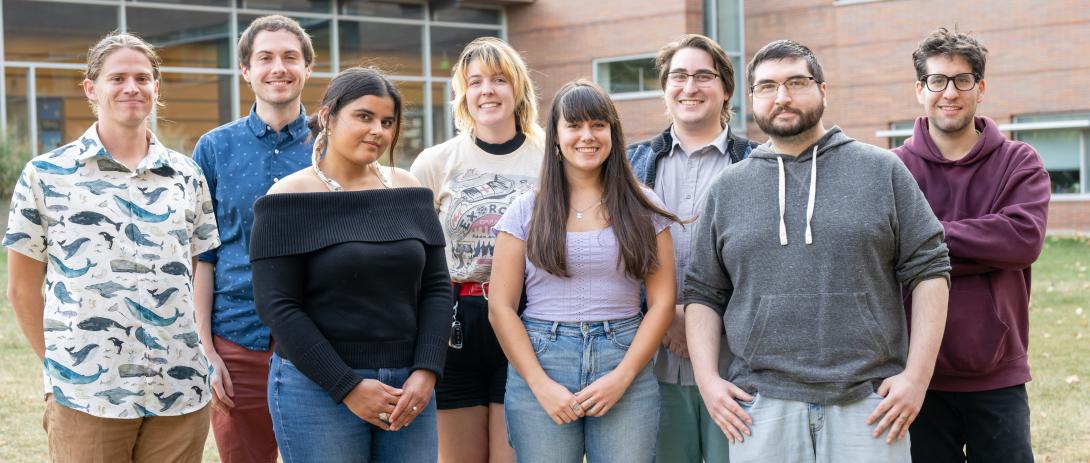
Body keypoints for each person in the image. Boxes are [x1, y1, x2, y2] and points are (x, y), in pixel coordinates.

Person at [683, 40, 952, 462]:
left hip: (869, 404)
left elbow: (930, 270)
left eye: (797, 82)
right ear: (752, 99)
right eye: (767, 87)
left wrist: (917, 378)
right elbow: (702, 292)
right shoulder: (728, 189)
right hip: (760, 405)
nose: (783, 96)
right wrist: (707, 380)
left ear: (823, 91)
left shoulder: (882, 171)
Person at [4, 32, 220, 462]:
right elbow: (21, 289)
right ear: (91, 88)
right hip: (88, 393)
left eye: (143, 78)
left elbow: (200, 268)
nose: (131, 88)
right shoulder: (45, 175)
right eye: (117, 77)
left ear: (157, 88)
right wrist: (61, 367)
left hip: (179, 389)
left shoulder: (186, 175)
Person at [250, 66, 452, 463]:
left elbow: (437, 287)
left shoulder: (409, 190)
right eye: (364, 116)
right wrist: (347, 386)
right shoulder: (286, 197)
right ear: (327, 116)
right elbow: (277, 306)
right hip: (316, 390)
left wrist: (427, 371)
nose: (378, 129)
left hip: (408, 389)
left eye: (388, 121)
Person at [489, 80, 679, 463]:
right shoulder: (527, 209)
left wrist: (623, 376)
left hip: (624, 356)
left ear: (613, 132)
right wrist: (540, 385)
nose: (587, 136)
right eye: (574, 126)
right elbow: (501, 307)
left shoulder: (643, 207)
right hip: (542, 358)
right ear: (556, 137)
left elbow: (662, 302)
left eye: (598, 125)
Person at [892, 28, 1050, 463]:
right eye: (937, 81)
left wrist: (923, 242)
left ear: (980, 88)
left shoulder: (1020, 161)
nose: (950, 92)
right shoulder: (892, 169)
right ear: (919, 90)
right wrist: (982, 247)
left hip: (996, 373)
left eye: (963, 80)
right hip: (917, 376)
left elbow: (1021, 240)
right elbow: (884, 255)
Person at [409, 36, 544, 463]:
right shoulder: (435, 162)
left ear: (518, 88)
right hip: (455, 323)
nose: (487, 90)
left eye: (499, 80)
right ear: (463, 94)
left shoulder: (550, 159)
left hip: (527, 320)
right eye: (476, 81)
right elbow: (414, 253)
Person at [626, 33, 756, 463]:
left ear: (726, 90)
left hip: (734, 368)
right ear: (665, 88)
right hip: (651, 365)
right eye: (679, 76)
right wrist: (663, 317)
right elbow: (613, 259)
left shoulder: (759, 164)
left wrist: (701, 323)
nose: (690, 87)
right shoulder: (629, 166)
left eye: (704, 76)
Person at [192, 15, 315, 463]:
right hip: (237, 339)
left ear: (307, 68)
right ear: (246, 70)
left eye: (290, 57)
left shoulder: (332, 145)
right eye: (265, 58)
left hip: (320, 338)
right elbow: (201, 256)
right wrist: (206, 350)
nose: (278, 67)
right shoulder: (213, 149)